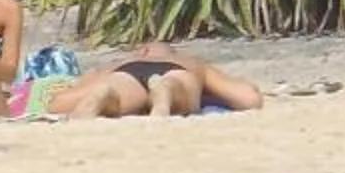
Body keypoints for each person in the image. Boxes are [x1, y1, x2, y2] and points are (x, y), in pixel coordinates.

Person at [25, 44, 266, 121]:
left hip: (126, 74)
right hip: (177, 72)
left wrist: (82, 84)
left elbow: (57, 103)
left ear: (142, 50)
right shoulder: (189, 61)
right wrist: (208, 93)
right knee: (180, 89)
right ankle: (166, 94)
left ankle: (106, 96)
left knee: (116, 94)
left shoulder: (121, 61)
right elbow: (248, 98)